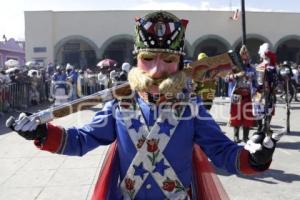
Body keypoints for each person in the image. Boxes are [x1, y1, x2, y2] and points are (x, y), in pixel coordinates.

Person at [8, 11, 281, 199]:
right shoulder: (120, 104)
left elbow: (223, 153)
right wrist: (43, 134)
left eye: (168, 60)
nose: (156, 69)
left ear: (181, 64)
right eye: (148, 58)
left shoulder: (191, 106)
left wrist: (254, 158)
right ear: (137, 58)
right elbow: (82, 139)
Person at [226, 45, 257, 143]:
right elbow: (226, 79)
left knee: (247, 116)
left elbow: (256, 82)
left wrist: (256, 90)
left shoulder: (252, 69)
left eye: (246, 54)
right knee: (236, 116)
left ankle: (245, 137)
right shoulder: (234, 68)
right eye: (243, 54)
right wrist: (236, 75)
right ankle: (236, 136)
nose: (245, 57)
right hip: (236, 94)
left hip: (247, 95)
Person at [254, 43, 278, 133]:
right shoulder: (258, 67)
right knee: (257, 109)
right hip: (259, 92)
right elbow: (256, 80)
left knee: (269, 110)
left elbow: (276, 80)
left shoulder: (272, 68)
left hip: (269, 92)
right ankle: (260, 126)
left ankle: (266, 126)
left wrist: (273, 87)